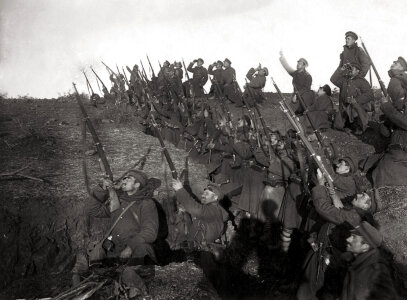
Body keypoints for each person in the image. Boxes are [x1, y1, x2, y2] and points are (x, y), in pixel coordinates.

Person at [72, 170, 160, 292]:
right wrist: (102, 188)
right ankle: (79, 288)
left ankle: (139, 290)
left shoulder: (146, 203)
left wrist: (130, 247)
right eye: (124, 178)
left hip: (135, 250)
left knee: (142, 251)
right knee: (85, 255)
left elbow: (150, 232)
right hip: (115, 250)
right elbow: (92, 210)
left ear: (137, 184)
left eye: (128, 178)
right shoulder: (120, 202)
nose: (123, 180)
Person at [371, 56, 407, 188]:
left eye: (397, 63)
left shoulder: (398, 80)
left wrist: (388, 107)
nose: (393, 63)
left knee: (381, 172)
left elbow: (399, 105)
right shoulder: (397, 80)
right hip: (398, 137)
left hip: (402, 145)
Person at [340, 221, 398, 300]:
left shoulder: (376, 272)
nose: (348, 239)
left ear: (365, 247)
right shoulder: (355, 262)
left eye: (354, 237)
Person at [170, 179, 229, 248]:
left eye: (206, 194)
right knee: (184, 214)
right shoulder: (215, 208)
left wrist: (180, 190)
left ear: (215, 197)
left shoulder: (213, 210)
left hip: (198, 245)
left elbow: (196, 209)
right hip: (197, 238)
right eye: (204, 193)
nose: (203, 195)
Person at [331, 62, 374, 135]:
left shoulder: (362, 81)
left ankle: (360, 126)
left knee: (355, 110)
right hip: (345, 107)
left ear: (357, 71)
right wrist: (341, 70)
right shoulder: (344, 80)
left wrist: (356, 100)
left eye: (352, 68)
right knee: (337, 126)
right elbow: (333, 79)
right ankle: (347, 125)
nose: (350, 70)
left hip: (357, 107)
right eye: (349, 68)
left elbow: (369, 94)